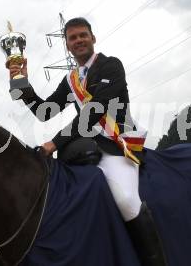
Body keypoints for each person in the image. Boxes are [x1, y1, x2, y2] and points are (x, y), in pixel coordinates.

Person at [8, 17, 166, 266]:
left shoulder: (110, 66)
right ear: (68, 45)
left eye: (83, 35)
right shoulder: (71, 80)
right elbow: (45, 111)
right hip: (88, 147)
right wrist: (22, 84)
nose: (79, 40)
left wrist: (54, 143)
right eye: (73, 38)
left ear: (93, 38)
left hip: (118, 145)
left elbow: (95, 109)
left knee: (126, 200)